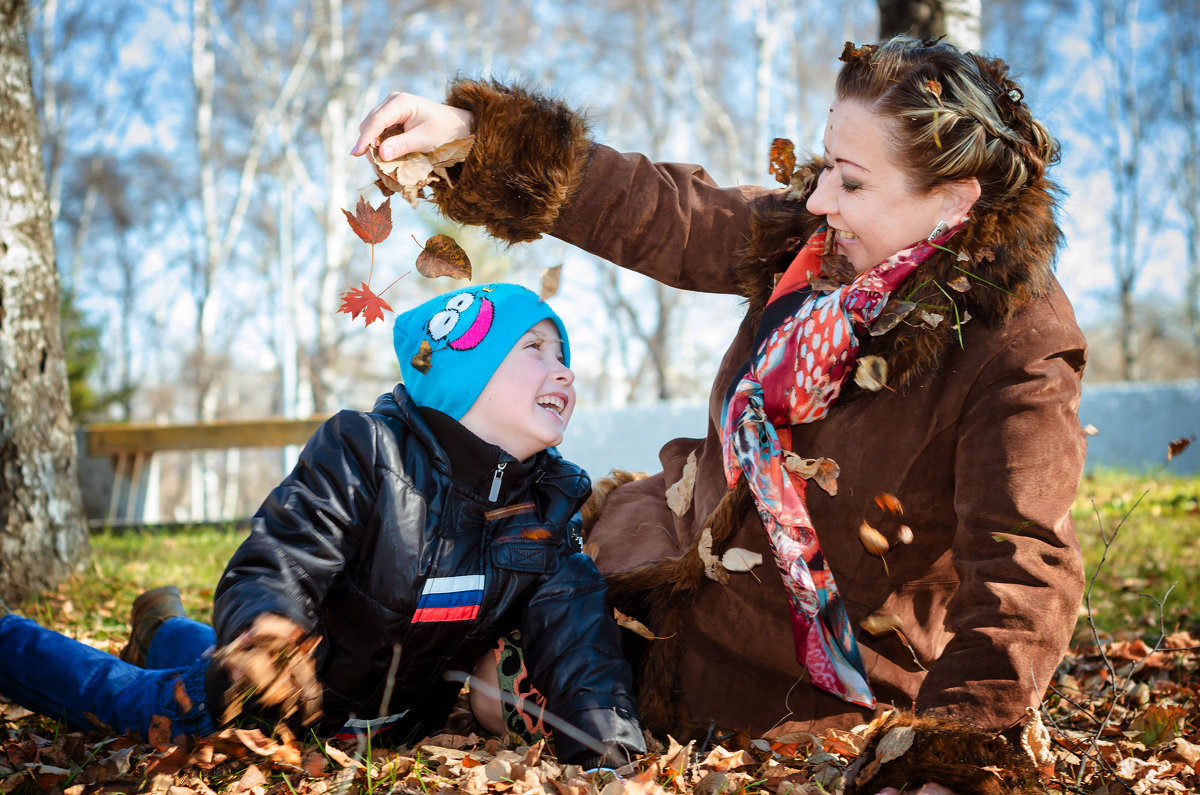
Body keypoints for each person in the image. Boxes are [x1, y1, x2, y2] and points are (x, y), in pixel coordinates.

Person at [351, 35, 1087, 768]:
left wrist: (957, 754)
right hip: (664, 552)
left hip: (786, 672)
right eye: (826, 164)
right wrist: (474, 141)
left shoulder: (1016, 343)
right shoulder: (812, 242)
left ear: (955, 200)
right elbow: (660, 212)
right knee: (432, 604)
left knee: (496, 687)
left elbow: (1024, 566)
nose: (821, 197)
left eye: (853, 181)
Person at [0, 283, 645, 770]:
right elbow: (285, 551)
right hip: (271, 707)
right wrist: (266, 629)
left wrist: (610, 751)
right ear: (463, 374)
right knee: (116, 697)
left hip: (385, 726)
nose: (563, 369)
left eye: (562, 353)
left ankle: (164, 628)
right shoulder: (367, 453)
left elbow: (579, 641)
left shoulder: (547, 509)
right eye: (534, 349)